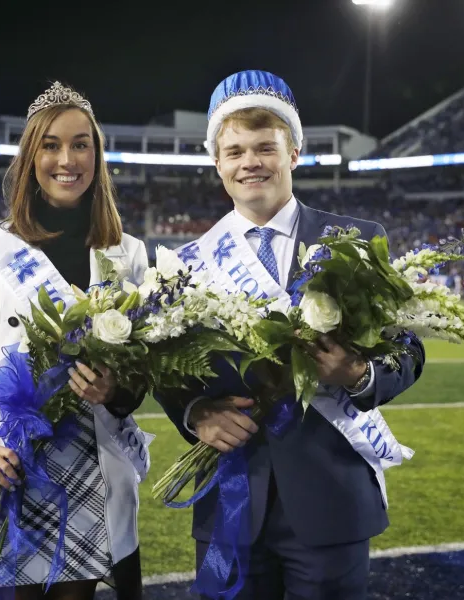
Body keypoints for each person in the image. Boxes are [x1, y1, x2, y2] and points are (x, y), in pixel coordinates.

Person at [156, 70, 425, 600]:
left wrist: (358, 373)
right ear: (217, 164)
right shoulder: (183, 263)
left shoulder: (358, 241)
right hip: (231, 497)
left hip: (332, 499)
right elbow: (164, 366)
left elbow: (407, 350)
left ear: (295, 152)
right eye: (234, 152)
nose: (249, 162)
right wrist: (195, 413)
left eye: (264, 148)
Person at [0, 81, 150, 600]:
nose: (66, 159)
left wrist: (114, 389)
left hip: (92, 471)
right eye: (50, 145)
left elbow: (140, 376)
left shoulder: (129, 255)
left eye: (81, 144)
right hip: (7, 470)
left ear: (97, 155)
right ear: (31, 157)